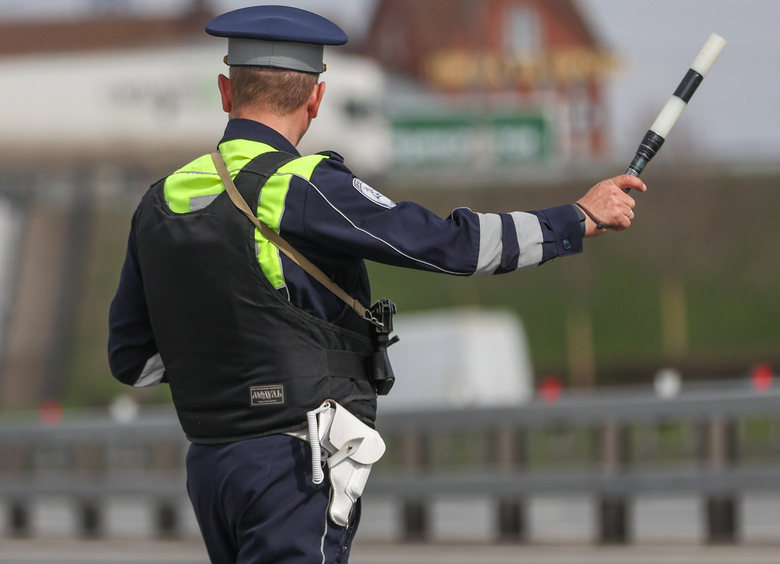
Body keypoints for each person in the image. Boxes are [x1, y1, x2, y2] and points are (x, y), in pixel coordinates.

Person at [108, 5, 646, 564]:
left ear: (226, 91)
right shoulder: (304, 184)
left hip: (211, 466)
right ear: (315, 99)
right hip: (293, 463)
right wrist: (574, 218)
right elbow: (452, 247)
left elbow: (132, 359)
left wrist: (230, 358)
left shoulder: (159, 202)